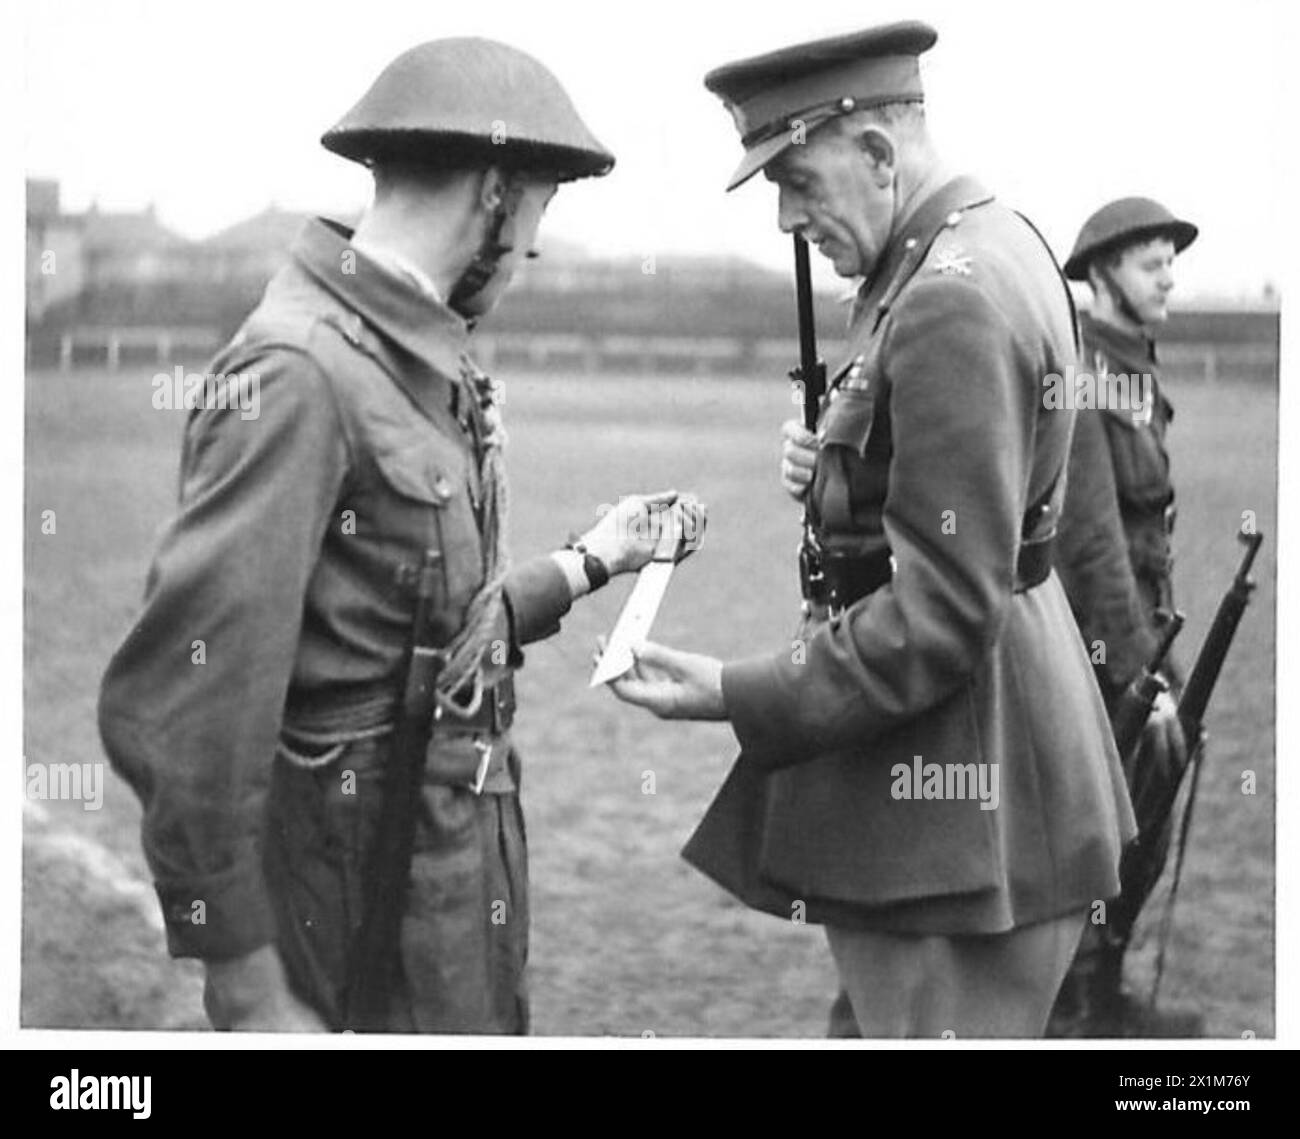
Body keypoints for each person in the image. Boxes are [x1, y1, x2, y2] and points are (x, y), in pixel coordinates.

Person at [98, 37, 701, 1034]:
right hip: (357, 914)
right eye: (534, 225)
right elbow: (184, 707)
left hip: (444, 891)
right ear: (494, 195)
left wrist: (592, 559)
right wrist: (246, 988)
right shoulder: (300, 372)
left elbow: (417, 639)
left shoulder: (411, 361)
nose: (525, 264)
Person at [604, 21, 1136, 1038]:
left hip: (950, 773)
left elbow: (941, 610)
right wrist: (841, 469)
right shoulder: (989, 241)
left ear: (880, 155)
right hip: (992, 736)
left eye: (798, 183)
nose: (783, 219)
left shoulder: (944, 298)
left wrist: (732, 690)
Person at [1048, 197, 1200, 1036]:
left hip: (1146, 633)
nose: (1170, 274)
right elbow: (1095, 547)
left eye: (1171, 259)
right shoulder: (1083, 378)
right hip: (1101, 652)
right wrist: (1143, 675)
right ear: (1103, 274)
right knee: (1099, 836)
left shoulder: (1136, 374)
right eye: (1151, 261)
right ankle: (1073, 1010)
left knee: (1143, 824)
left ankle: (1102, 992)